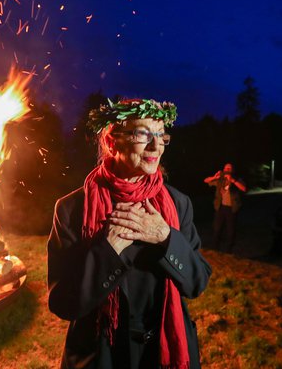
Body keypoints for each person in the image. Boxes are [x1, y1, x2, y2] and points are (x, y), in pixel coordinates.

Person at [47, 98, 211, 369]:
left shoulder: (177, 203)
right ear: (113, 142)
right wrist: (107, 252)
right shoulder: (72, 209)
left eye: (161, 136)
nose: (156, 146)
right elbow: (64, 303)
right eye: (143, 134)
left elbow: (197, 282)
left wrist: (165, 238)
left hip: (161, 353)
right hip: (103, 355)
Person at [203, 163, 247, 253]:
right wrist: (214, 177)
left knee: (230, 230)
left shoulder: (236, 179)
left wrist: (233, 181)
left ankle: (228, 250)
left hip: (231, 208)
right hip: (220, 207)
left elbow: (244, 189)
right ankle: (216, 248)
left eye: (229, 168)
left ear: (232, 170)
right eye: (225, 168)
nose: (227, 169)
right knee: (217, 228)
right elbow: (206, 180)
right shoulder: (220, 179)